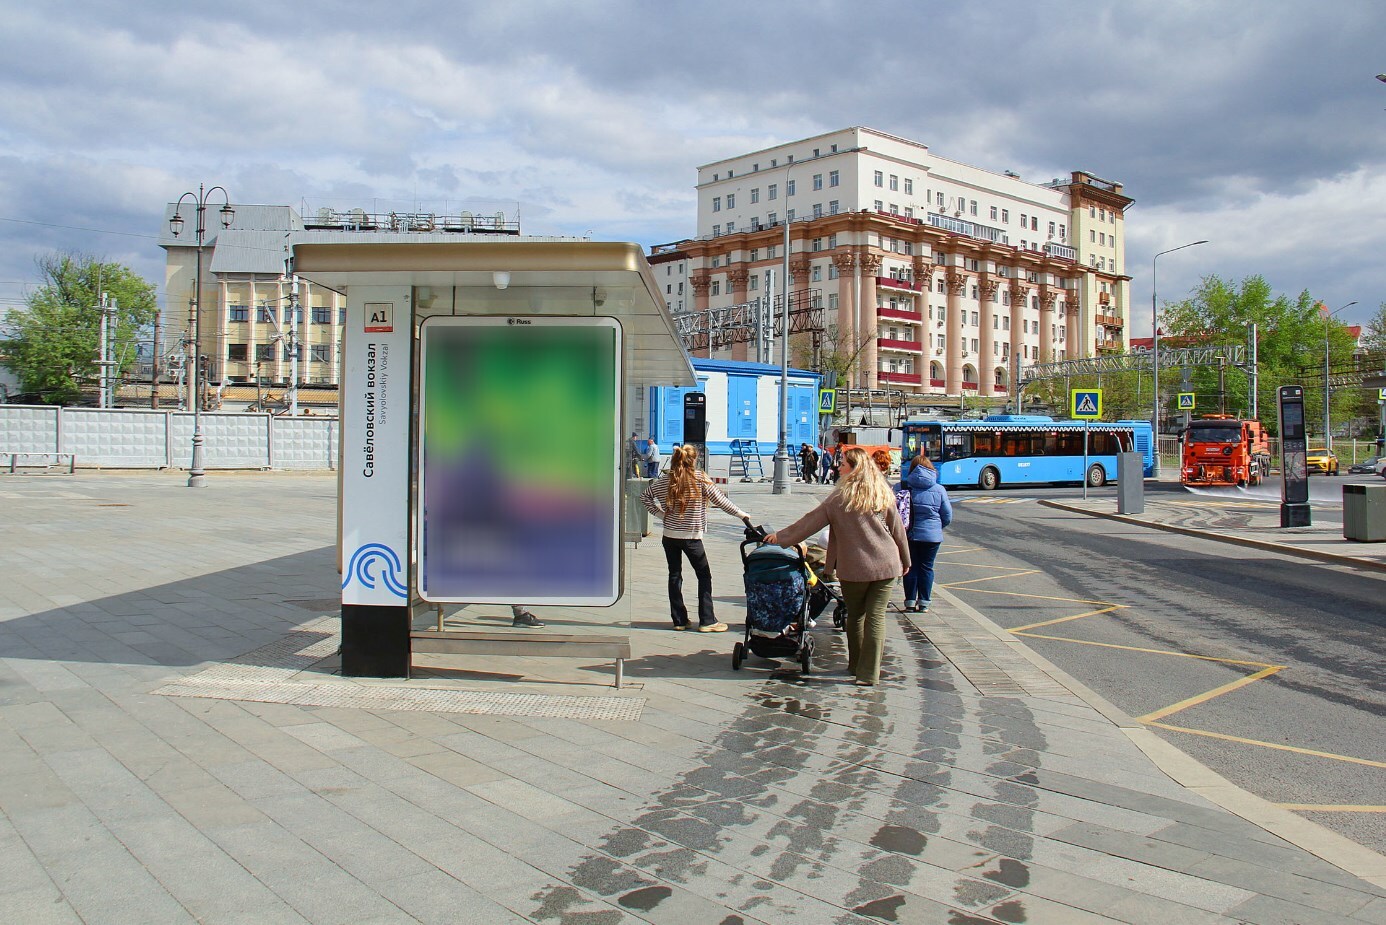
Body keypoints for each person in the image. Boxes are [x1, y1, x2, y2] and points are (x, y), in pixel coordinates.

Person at [765, 447, 909, 686]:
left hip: (855, 567)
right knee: (876, 617)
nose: (837, 467)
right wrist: (906, 560)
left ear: (853, 469)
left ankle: (855, 664)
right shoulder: (882, 493)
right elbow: (898, 531)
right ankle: (869, 674)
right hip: (887, 564)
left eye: (842, 464)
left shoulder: (839, 498)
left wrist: (779, 538)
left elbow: (808, 523)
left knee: (856, 615)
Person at [642, 445, 752, 632]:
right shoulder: (698, 478)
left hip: (669, 536)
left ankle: (679, 620)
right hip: (692, 538)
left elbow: (645, 497)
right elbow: (720, 501)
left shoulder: (665, 479)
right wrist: (742, 515)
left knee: (674, 575)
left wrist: (662, 515)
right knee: (704, 576)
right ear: (693, 460)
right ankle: (707, 620)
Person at [897, 455, 952, 613]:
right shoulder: (939, 489)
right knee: (927, 568)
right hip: (932, 537)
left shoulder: (902, 486)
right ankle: (925, 603)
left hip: (908, 534)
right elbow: (947, 515)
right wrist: (936, 528)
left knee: (910, 566)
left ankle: (909, 601)